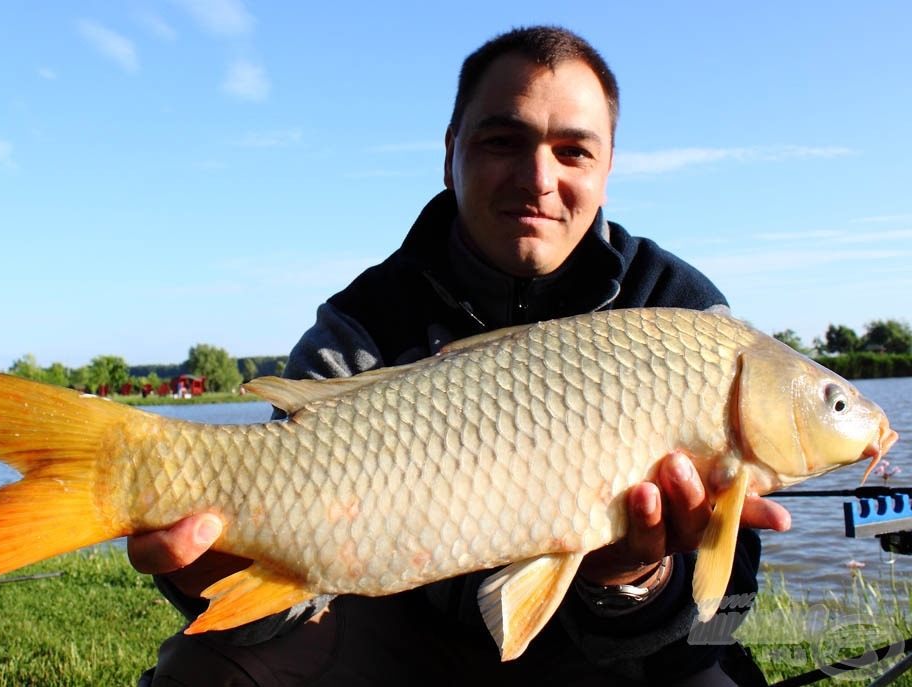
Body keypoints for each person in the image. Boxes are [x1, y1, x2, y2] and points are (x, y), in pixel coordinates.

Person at [132, 26, 791, 685]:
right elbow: (282, 603)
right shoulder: (366, 322)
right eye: (504, 141)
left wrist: (632, 578)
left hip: (610, 657)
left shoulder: (684, 314)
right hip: (402, 636)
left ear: (607, 169)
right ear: (451, 152)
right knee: (206, 669)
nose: (539, 178)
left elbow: (720, 614)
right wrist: (203, 562)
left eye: (573, 151)